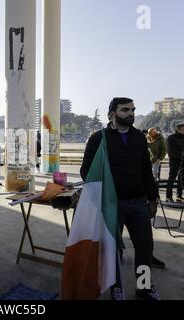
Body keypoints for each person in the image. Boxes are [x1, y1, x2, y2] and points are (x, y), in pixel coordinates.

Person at [81, 97, 161, 300]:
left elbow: (146, 170)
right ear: (112, 114)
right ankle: (115, 287)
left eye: (133, 109)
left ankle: (144, 288)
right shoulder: (99, 138)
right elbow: (86, 171)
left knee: (145, 248)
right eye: (125, 110)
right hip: (111, 205)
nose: (131, 113)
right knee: (112, 249)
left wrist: (153, 199)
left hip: (138, 203)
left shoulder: (138, 138)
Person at [166, 123, 184, 203]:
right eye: (183, 129)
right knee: (172, 178)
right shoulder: (171, 138)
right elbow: (171, 151)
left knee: (181, 178)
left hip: (183, 161)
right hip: (174, 161)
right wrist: (182, 156)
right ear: (178, 129)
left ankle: (179, 196)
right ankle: (168, 196)